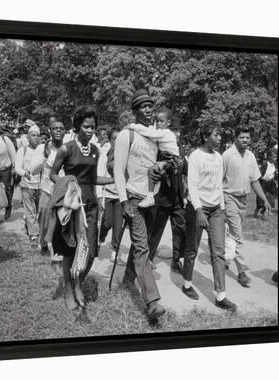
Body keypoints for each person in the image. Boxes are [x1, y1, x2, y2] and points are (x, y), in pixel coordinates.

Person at [48, 106, 114, 312]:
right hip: (72, 206)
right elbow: (52, 174)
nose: (90, 130)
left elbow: (93, 179)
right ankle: (68, 290)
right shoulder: (66, 149)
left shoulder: (94, 150)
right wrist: (68, 184)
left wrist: (115, 180)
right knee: (70, 251)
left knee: (92, 251)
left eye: (93, 127)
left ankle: (78, 283)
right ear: (77, 126)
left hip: (91, 205)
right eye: (86, 126)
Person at [113, 89, 165, 321]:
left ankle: (127, 279)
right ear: (134, 112)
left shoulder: (155, 136)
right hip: (133, 198)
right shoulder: (127, 135)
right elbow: (118, 170)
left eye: (150, 105)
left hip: (151, 198)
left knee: (141, 245)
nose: (148, 109)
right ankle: (152, 302)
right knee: (143, 248)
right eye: (142, 106)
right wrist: (124, 200)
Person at [184, 124, 236, 311]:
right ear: (206, 137)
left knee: (218, 253)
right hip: (198, 209)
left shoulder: (219, 157)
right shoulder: (195, 156)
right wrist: (198, 210)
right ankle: (187, 284)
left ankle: (221, 296)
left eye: (221, 134)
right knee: (192, 249)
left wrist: (222, 210)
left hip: (215, 210)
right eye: (216, 134)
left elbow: (218, 186)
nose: (220, 138)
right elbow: (192, 185)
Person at [223, 125, 272, 287]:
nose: (245, 140)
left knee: (232, 233)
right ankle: (242, 271)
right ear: (235, 138)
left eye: (248, 137)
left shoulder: (251, 156)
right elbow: (218, 180)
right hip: (229, 197)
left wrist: (264, 199)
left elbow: (255, 180)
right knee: (237, 234)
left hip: (244, 200)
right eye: (242, 137)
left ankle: (224, 257)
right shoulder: (227, 155)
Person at [144, 112, 187, 274]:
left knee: (180, 228)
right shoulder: (159, 148)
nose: (176, 134)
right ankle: (148, 257)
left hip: (177, 196)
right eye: (174, 130)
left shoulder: (180, 149)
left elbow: (185, 170)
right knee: (156, 228)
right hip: (161, 195)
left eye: (178, 131)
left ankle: (176, 260)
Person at [127, 107, 180, 208]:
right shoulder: (163, 132)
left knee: (152, 171)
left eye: (161, 121)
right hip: (168, 160)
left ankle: (150, 197)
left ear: (168, 122)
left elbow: (151, 133)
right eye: (157, 121)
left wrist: (134, 126)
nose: (158, 124)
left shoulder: (165, 133)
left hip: (170, 160)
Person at [36, 120, 65, 260]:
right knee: (44, 221)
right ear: (50, 131)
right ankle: (42, 243)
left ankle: (57, 250)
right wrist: (44, 156)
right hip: (46, 191)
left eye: (61, 128)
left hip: (62, 193)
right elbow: (34, 169)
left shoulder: (67, 149)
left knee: (58, 222)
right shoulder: (43, 148)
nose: (58, 130)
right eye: (55, 128)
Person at [98, 129, 126, 263]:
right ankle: (100, 238)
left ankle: (115, 252)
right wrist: (99, 197)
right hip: (107, 194)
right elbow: (99, 175)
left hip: (121, 196)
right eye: (114, 138)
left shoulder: (126, 155)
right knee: (107, 222)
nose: (117, 141)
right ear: (110, 140)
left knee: (118, 226)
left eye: (119, 138)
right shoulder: (104, 155)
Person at [14, 124, 44, 248]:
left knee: (39, 211)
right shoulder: (23, 150)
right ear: (27, 137)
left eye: (38, 135)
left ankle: (32, 227)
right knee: (31, 211)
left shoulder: (43, 150)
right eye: (33, 135)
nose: (36, 138)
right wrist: (24, 173)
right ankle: (34, 236)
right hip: (27, 185)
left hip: (41, 186)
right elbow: (17, 168)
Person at [255, 148, 278, 218]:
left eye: (276, 156)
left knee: (271, 200)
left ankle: (265, 212)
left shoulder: (275, 164)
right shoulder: (265, 164)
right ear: (270, 157)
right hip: (263, 184)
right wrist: (264, 179)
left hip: (271, 184)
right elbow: (259, 175)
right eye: (274, 156)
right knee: (260, 201)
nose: (275, 158)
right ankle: (256, 213)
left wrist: (275, 175)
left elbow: (275, 174)